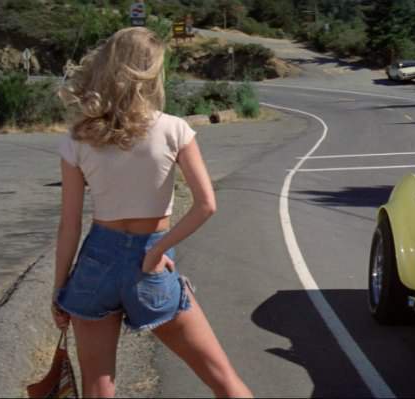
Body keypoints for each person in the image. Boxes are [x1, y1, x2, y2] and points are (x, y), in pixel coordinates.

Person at [51, 27, 252, 398]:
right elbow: (206, 204)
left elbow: (69, 224)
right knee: (223, 380)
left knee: (98, 388)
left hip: (96, 261)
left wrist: (60, 288)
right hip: (152, 260)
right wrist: (158, 251)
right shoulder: (175, 129)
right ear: (151, 72)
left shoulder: (77, 137)